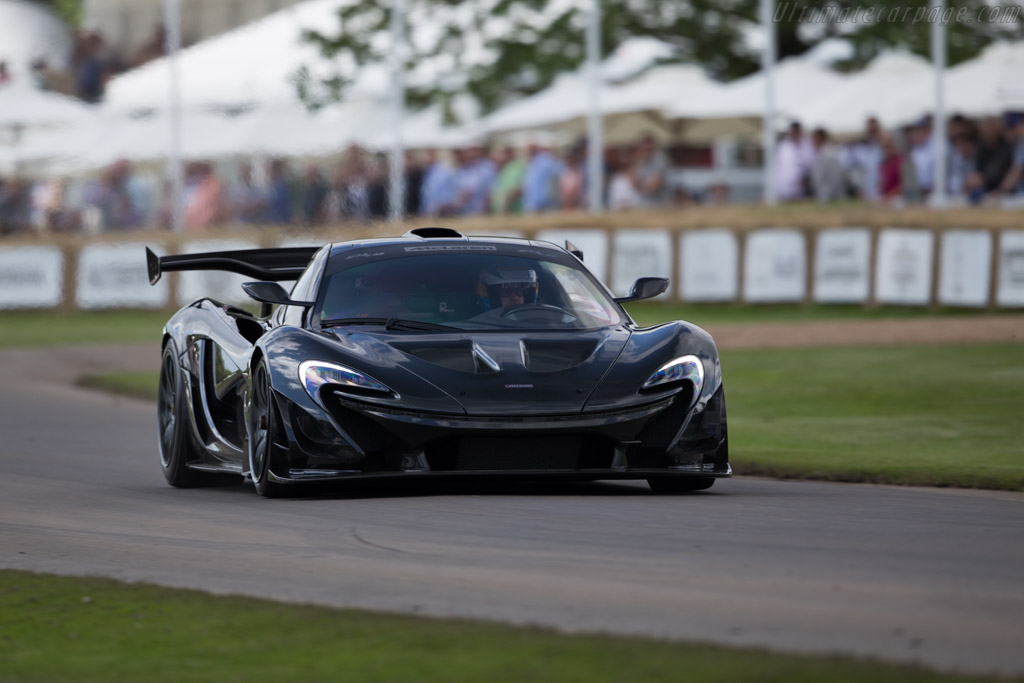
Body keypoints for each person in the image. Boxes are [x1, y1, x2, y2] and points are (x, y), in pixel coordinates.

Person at [774, 122, 815, 201]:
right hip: (784, 186)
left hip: (802, 187)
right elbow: (779, 167)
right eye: (794, 132)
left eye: (797, 132)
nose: (795, 134)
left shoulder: (806, 145)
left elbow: (810, 163)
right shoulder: (784, 146)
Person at [522, 142, 564, 212]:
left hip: (545, 204)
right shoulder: (531, 164)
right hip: (532, 204)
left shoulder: (546, 159)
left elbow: (560, 171)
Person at [630, 134, 668, 206]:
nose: (645, 151)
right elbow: (632, 181)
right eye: (642, 149)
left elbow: (655, 185)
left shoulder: (660, 160)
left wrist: (640, 187)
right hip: (643, 204)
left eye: (648, 149)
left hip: (659, 205)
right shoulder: (639, 161)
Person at [810, 128, 845, 202]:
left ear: (819, 139)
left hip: (830, 199)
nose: (812, 142)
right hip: (823, 197)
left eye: (813, 139)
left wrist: (829, 198)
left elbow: (835, 179)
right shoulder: (821, 153)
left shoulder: (829, 154)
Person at [420, 148, 457, 216]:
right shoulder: (426, 171)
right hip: (429, 212)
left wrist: (440, 205)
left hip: (442, 211)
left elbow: (450, 191)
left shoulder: (445, 170)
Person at [491, 146, 526, 214]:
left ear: (508, 154)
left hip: (513, 214)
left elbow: (519, 189)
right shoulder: (502, 169)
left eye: (500, 153)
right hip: (500, 214)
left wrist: (507, 204)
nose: (496, 156)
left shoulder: (517, 168)